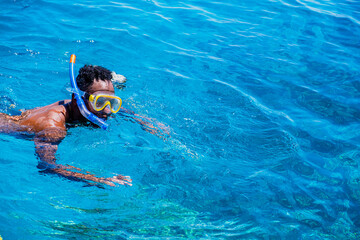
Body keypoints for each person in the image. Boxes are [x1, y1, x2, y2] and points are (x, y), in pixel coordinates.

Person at [0, 56, 168, 187]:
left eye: (113, 103)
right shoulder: (53, 127)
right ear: (76, 100)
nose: (108, 111)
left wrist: (144, 121)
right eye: (100, 102)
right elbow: (48, 165)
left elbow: (115, 108)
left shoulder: (84, 107)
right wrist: (97, 179)